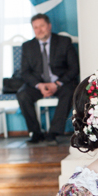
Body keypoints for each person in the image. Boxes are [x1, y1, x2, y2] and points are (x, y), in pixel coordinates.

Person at [15, 13, 79, 143]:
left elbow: (74, 68)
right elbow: (25, 72)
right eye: (35, 27)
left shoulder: (64, 42)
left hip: (60, 83)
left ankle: (54, 133)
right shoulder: (27, 46)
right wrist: (40, 85)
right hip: (38, 84)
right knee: (22, 94)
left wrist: (57, 84)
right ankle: (36, 133)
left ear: (49, 26)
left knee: (70, 92)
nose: (39, 30)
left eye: (42, 26)